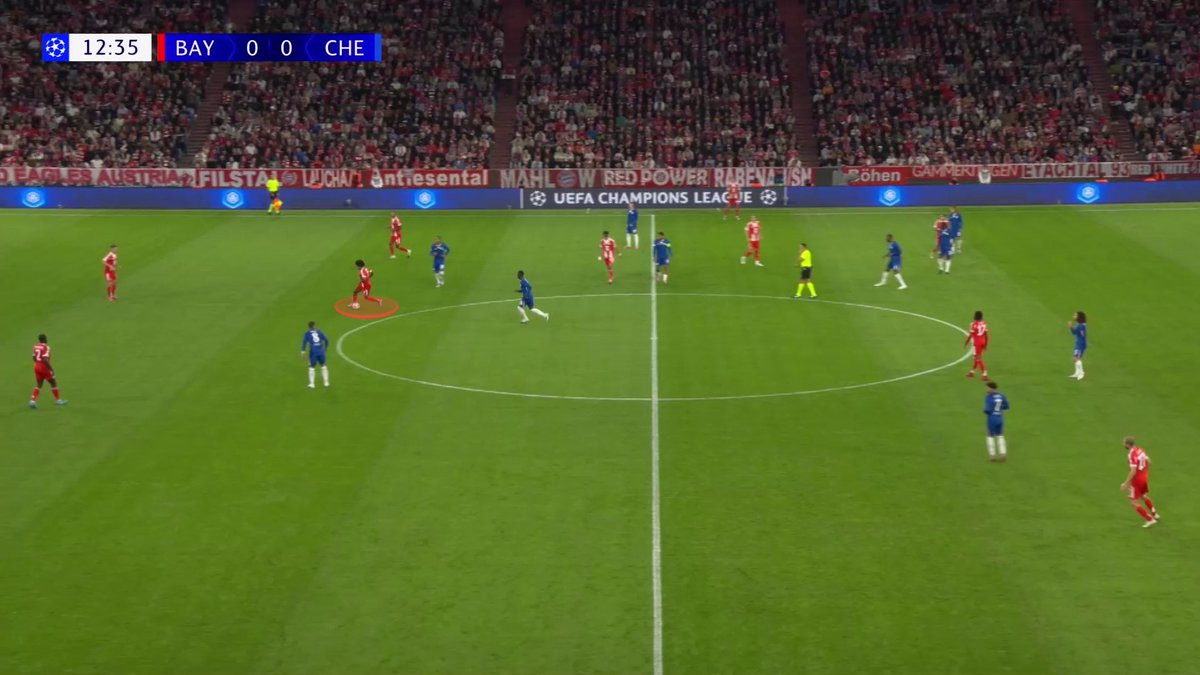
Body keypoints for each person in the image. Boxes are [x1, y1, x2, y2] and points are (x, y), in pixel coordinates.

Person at [1120, 437, 1159, 527]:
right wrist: (1145, 472)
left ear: (1128, 445)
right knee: (1144, 496)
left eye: (1124, 443)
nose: (1123, 445)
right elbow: (1149, 462)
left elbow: (1133, 471)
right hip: (1144, 477)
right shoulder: (1141, 450)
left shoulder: (1131, 454)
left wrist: (1126, 483)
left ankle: (1150, 520)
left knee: (1133, 502)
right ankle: (1155, 514)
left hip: (1137, 480)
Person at [29, 334, 66, 408]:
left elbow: (33, 357)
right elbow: (45, 359)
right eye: (46, 338)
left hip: (37, 366)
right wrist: (51, 369)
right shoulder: (46, 347)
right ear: (44, 339)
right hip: (44, 367)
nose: (47, 339)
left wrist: (37, 364)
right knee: (53, 382)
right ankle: (58, 400)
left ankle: (32, 401)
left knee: (39, 384)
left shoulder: (36, 346)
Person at [983, 381, 1009, 462]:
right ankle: (1003, 453)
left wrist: (985, 411)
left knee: (989, 435)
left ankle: (992, 455)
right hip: (1000, 418)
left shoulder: (989, 397)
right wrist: (999, 409)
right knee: (1000, 435)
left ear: (992, 388)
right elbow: (1007, 406)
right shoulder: (1002, 395)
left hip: (992, 418)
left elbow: (987, 410)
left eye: (987, 388)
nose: (986, 389)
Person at [300, 321, 330, 388]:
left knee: (312, 367)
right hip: (321, 351)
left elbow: (304, 342)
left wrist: (303, 351)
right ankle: (326, 383)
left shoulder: (307, 333)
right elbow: (326, 340)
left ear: (308, 327)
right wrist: (325, 348)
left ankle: (312, 384)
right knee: (323, 366)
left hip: (313, 352)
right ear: (314, 326)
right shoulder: (319, 332)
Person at [965, 310, 989, 380]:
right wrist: (986, 344)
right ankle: (972, 372)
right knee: (976, 357)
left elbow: (971, 335)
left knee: (978, 358)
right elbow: (986, 335)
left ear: (975, 316)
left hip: (977, 343)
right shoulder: (984, 323)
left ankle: (985, 374)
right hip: (983, 341)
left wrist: (966, 342)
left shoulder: (973, 324)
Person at [1068, 311, 1087, 379]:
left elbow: (1083, 335)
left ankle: (1081, 373)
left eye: (1075, 315)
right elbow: (1074, 332)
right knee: (1075, 359)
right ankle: (1077, 373)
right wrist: (1071, 327)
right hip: (1078, 344)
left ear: (1079, 317)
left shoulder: (1081, 326)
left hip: (1081, 344)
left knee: (1077, 359)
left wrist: (1082, 345)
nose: (1074, 316)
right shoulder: (1080, 325)